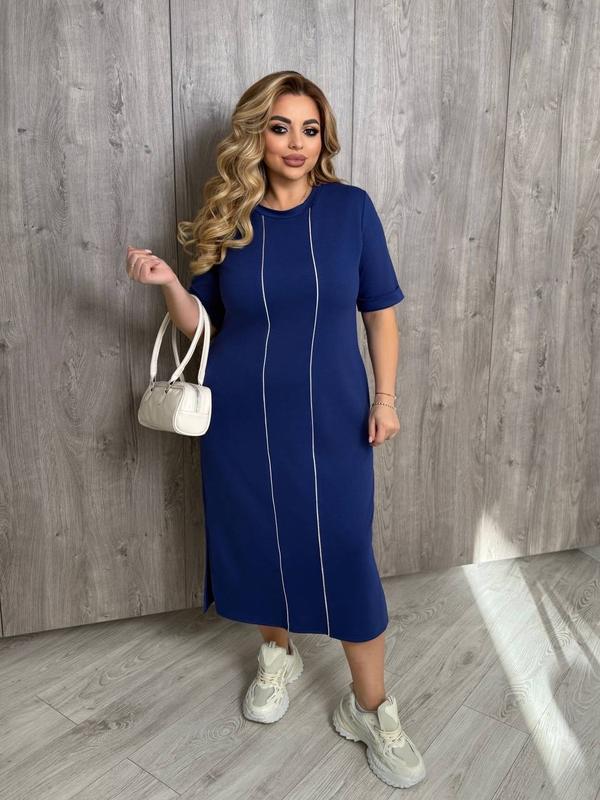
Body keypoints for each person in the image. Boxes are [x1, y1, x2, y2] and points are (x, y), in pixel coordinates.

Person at [126, 70, 426, 789]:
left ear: (324, 138)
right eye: (280, 127)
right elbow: (202, 325)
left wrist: (386, 398)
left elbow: (380, 310)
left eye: (310, 129)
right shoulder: (229, 217)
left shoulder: (351, 209)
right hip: (241, 417)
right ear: (255, 136)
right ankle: (278, 653)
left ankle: (370, 708)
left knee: (345, 550)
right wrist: (169, 284)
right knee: (259, 538)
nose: (296, 143)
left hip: (332, 414)